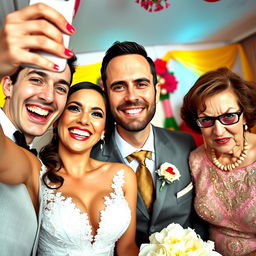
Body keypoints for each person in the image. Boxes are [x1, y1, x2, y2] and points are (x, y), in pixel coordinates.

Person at [91, 41, 206, 247]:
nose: (132, 96)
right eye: (119, 86)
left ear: (156, 89)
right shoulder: (91, 159)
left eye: (141, 84)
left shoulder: (185, 144)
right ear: (106, 94)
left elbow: (201, 218)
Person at [0, 3, 76, 255]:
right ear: (8, 85)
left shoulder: (42, 165)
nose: (48, 96)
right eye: (36, 79)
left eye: (61, 88)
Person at [35, 82, 138, 255]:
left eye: (96, 114)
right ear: (57, 119)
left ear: (104, 129)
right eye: (75, 108)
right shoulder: (34, 173)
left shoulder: (123, 176)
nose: (84, 120)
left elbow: (127, 248)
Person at [180, 67, 256, 256]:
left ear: (245, 115)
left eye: (229, 116)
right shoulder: (196, 160)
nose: (219, 131)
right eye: (206, 120)